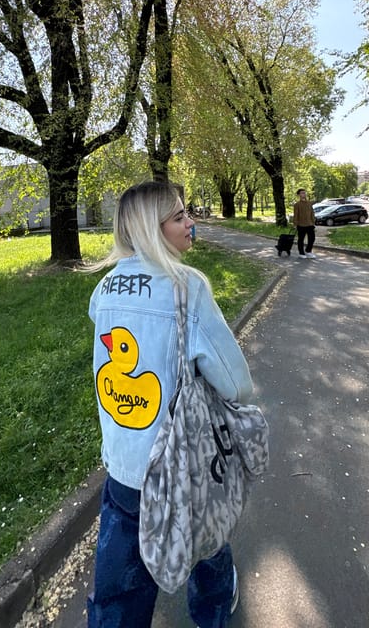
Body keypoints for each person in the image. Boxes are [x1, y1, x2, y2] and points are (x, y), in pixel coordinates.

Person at [87, 181, 254, 628]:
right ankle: (214, 609)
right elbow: (236, 384)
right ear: (151, 228)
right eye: (180, 216)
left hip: (123, 462)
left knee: (119, 576)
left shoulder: (104, 288)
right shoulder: (187, 287)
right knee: (205, 535)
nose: (191, 223)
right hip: (181, 460)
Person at [293, 188, 316, 258]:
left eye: (304, 193)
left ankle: (308, 251)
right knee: (301, 239)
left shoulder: (309, 203)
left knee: (312, 238)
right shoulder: (297, 204)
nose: (304, 194)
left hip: (310, 224)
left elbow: (312, 213)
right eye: (302, 193)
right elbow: (296, 215)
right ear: (299, 195)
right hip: (301, 224)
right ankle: (301, 253)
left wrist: (313, 221)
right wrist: (295, 224)